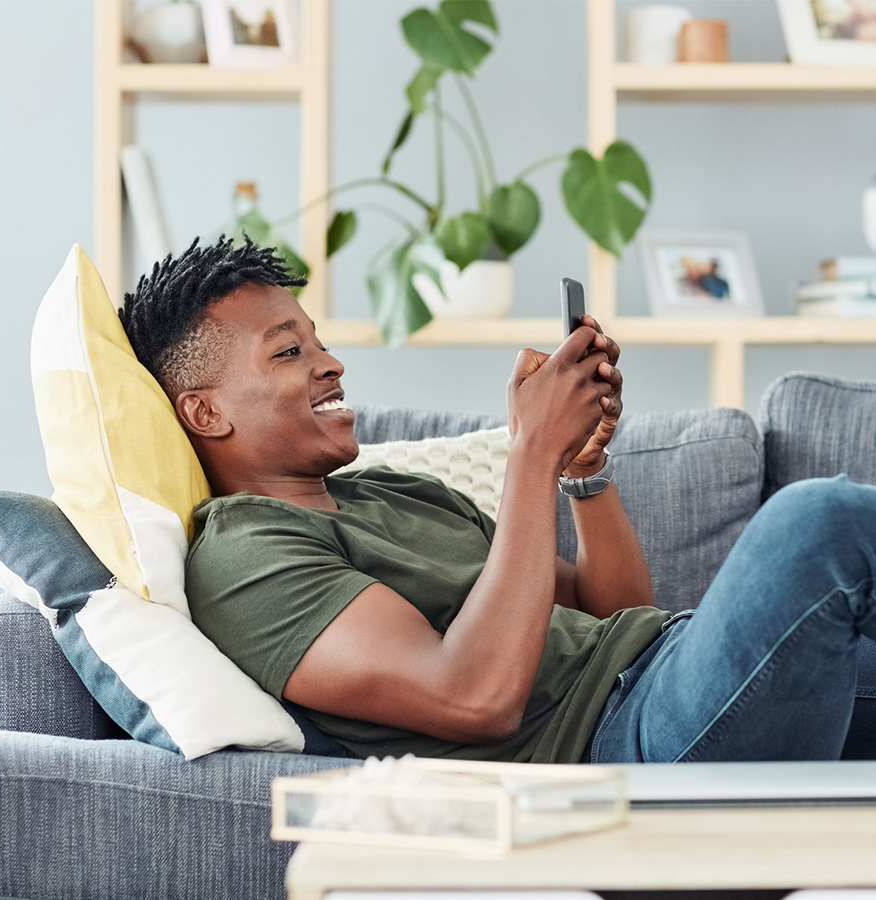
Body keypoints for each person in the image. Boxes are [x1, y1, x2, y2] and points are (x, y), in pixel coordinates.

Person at [120, 236, 876, 764]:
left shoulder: (393, 492)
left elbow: (613, 613)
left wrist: (580, 470)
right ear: (205, 413)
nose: (332, 364)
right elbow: (472, 698)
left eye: (318, 342)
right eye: (289, 352)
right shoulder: (243, 553)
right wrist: (531, 454)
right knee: (814, 525)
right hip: (625, 747)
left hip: (672, 672)